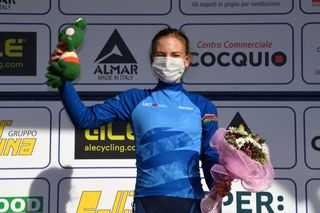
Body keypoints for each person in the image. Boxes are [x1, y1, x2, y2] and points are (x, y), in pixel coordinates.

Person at [48, 27, 231, 213]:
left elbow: (209, 157)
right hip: (147, 203)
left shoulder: (204, 106)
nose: (168, 61)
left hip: (192, 203)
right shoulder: (134, 99)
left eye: (175, 55)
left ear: (186, 60)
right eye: (161, 55)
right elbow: (85, 120)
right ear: (152, 59)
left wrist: (218, 184)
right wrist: (64, 82)